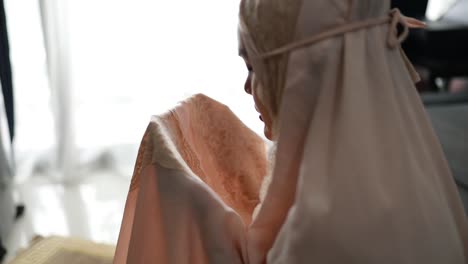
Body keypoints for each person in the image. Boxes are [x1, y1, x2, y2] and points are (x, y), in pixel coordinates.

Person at [114, 0, 468, 263]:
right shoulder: (399, 151)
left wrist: (199, 216)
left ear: (306, 78)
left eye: (255, 68)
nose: (247, 87)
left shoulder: (324, 233)